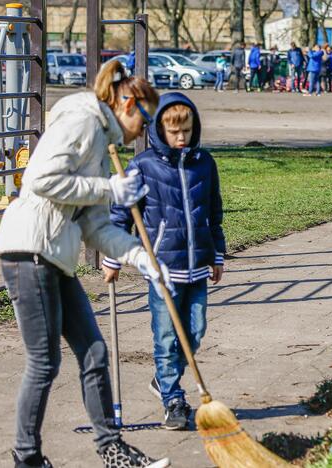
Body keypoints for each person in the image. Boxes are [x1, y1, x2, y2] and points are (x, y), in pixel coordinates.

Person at [0, 60, 172, 468]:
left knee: (93, 351)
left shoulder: (101, 139)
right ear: (128, 105)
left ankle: (112, 450)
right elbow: (40, 179)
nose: (142, 133)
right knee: (44, 362)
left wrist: (138, 256)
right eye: (144, 123)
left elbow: (93, 227)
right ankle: (27, 458)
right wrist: (108, 188)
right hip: (29, 251)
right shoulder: (83, 122)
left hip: (55, 255)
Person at [102, 92, 225, 431]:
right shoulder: (143, 167)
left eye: (186, 131)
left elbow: (214, 212)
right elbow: (120, 215)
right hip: (163, 270)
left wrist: (217, 253)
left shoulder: (205, 163)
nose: (181, 138)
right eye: (174, 133)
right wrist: (112, 258)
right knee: (167, 337)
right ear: (159, 131)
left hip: (198, 264)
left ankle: (162, 378)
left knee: (195, 331)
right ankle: (172, 398)